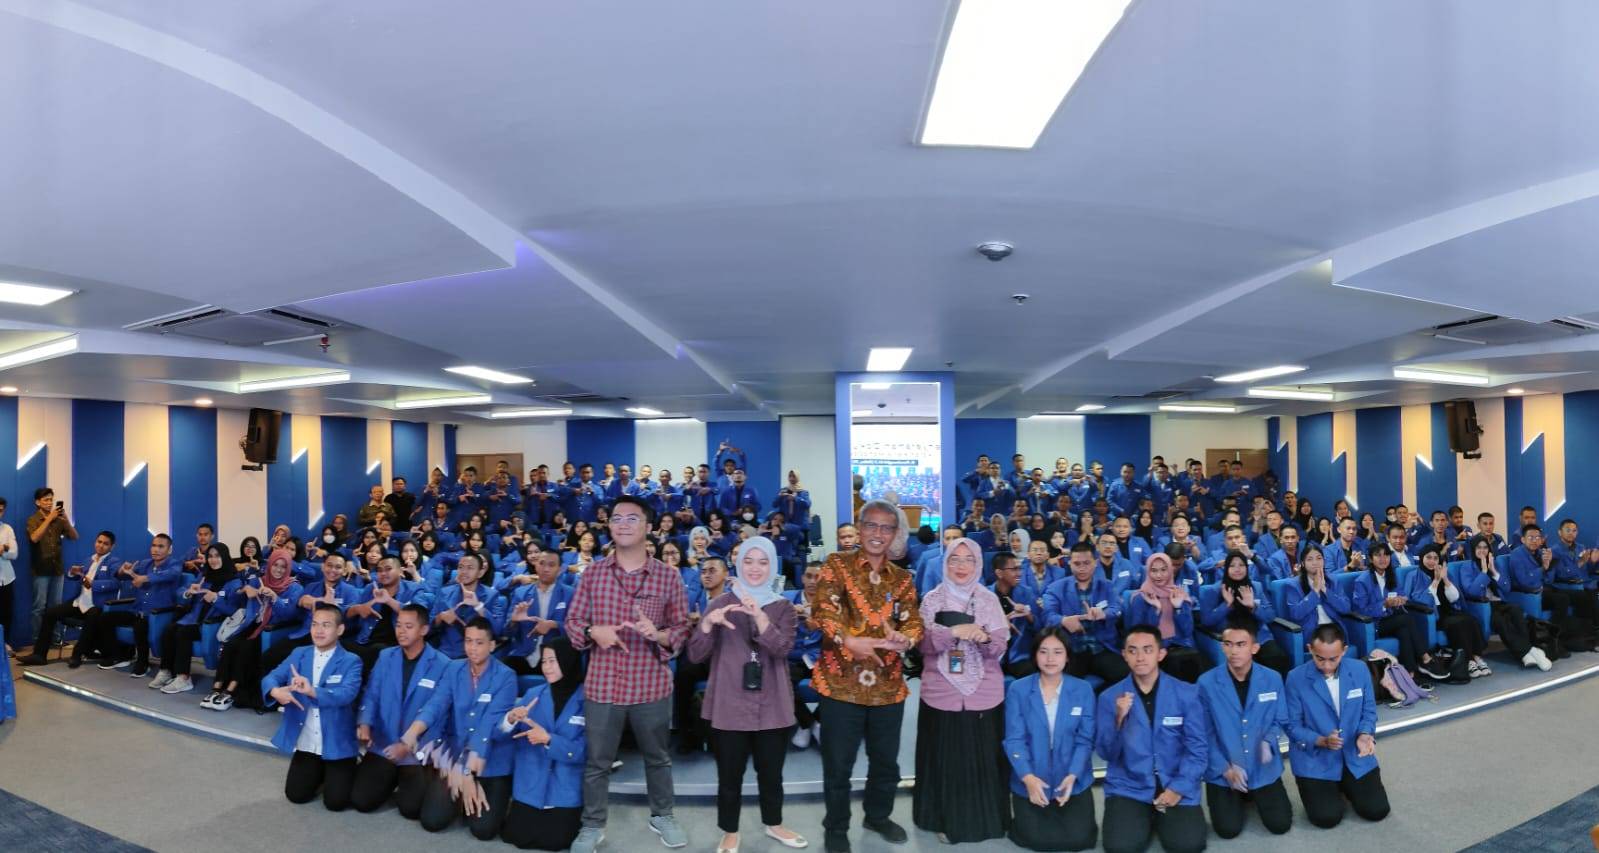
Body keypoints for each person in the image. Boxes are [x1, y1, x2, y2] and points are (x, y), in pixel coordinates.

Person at [563, 494, 691, 852]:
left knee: (658, 758)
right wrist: (593, 633)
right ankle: (592, 825)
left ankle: (663, 815)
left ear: (648, 527)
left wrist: (660, 634)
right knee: (597, 762)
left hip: (651, 684)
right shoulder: (593, 574)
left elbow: (682, 630)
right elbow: (572, 623)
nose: (622, 524)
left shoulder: (668, 577)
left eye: (632, 518)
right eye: (616, 518)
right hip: (604, 685)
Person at [812, 499, 923, 853]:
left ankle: (877, 816)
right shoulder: (836, 565)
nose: (878, 534)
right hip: (839, 683)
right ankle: (836, 827)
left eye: (886, 528)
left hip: (888, 686)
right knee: (838, 764)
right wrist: (849, 640)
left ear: (896, 535)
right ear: (859, 530)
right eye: (871, 526)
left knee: (886, 763)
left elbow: (913, 620)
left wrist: (906, 638)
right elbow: (823, 610)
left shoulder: (904, 578)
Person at [685, 536, 806, 853]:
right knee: (729, 775)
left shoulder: (783, 608)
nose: (755, 569)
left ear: (772, 566)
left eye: (763, 562)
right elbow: (696, 655)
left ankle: (774, 823)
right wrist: (708, 626)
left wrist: (760, 616)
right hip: (729, 704)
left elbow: (782, 648)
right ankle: (729, 830)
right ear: (738, 564)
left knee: (771, 772)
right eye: (749, 561)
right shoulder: (719, 604)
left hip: (772, 705)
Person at [914, 536, 1010, 844]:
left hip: (984, 693)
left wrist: (981, 638)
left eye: (968, 560)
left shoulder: (988, 600)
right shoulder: (931, 600)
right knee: (948, 761)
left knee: (982, 760)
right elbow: (923, 646)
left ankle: (987, 821)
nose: (961, 566)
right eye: (955, 559)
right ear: (944, 563)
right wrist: (952, 632)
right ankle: (945, 819)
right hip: (941, 693)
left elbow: (998, 648)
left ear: (978, 564)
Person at [398, 617, 518, 837]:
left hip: (490, 759)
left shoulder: (506, 677)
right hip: (455, 756)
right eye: (468, 641)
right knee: (432, 821)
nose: (472, 648)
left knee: (483, 830)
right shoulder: (454, 668)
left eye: (479, 642)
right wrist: (415, 730)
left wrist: (466, 772)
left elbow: (489, 724)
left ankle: (475, 792)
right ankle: (461, 794)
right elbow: (437, 703)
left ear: (492, 645)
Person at [1095, 624, 1209, 853]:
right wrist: (1118, 719)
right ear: (1124, 656)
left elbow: (1197, 750)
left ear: (1161, 654)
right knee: (1120, 847)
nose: (1140, 657)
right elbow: (1106, 753)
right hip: (1129, 786)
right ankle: (1142, 814)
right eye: (1133, 650)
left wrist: (1178, 788)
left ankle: (1162, 815)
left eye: (1147, 649)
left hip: (1175, 780)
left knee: (1188, 845)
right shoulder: (1110, 697)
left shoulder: (1186, 693)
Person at [1284, 623, 1391, 828]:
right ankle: (1332, 787)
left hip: (1353, 753)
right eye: (1319, 658)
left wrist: (1365, 734)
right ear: (1310, 650)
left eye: (1333, 658)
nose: (1326, 665)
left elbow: (1369, 711)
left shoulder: (1359, 669)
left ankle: (1344, 784)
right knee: (1326, 818)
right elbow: (1291, 727)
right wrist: (1321, 740)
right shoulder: (1295, 678)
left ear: (1344, 651)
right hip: (1316, 758)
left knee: (1377, 811)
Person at [1196, 616, 1293, 839]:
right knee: (1228, 830)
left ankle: (1252, 792)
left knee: (1280, 825)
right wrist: (1225, 768)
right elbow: (1204, 734)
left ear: (1255, 648)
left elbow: (1280, 720)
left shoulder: (1273, 679)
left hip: (1262, 767)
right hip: (1224, 769)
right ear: (1222, 647)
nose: (1233, 651)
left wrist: (1268, 741)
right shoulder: (1206, 683)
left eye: (1241, 645)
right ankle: (1236, 793)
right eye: (1228, 644)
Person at [261, 602, 364, 810]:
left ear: (340, 629)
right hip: (307, 738)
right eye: (314, 624)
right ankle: (319, 771)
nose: (318, 630)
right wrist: (275, 691)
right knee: (296, 795)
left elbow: (346, 694)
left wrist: (312, 691)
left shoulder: (351, 660)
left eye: (326, 625)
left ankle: (349, 764)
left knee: (335, 803)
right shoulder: (299, 653)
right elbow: (272, 677)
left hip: (336, 739)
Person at [350, 603, 450, 816]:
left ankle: (404, 777)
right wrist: (364, 722)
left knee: (411, 810)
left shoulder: (443, 664)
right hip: (384, 743)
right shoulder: (386, 656)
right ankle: (388, 776)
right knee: (361, 801)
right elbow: (371, 693)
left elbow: (436, 711)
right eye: (398, 625)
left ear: (423, 630)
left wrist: (409, 743)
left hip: (418, 749)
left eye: (408, 626)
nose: (401, 631)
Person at [1003, 628, 1097, 852]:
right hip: (1032, 779)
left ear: (1067, 656)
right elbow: (1014, 740)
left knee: (1078, 840)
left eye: (1057, 652)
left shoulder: (1083, 690)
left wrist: (1073, 775)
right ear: (1035, 655)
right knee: (1038, 841)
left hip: (1071, 779)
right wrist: (1028, 778)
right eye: (1043, 652)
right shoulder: (1018, 689)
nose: (1050, 659)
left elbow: (1085, 740)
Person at [500, 636, 588, 851]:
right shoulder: (533, 695)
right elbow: (502, 734)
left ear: (568, 660)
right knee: (517, 837)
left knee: (556, 841)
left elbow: (585, 751)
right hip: (531, 783)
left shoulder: (588, 700)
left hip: (564, 788)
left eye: (552, 661)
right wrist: (510, 719)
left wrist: (549, 739)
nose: (546, 667)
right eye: (544, 661)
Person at [203, 550, 303, 711]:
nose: (278, 570)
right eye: (275, 565)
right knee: (230, 645)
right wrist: (244, 590)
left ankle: (231, 691)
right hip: (251, 624)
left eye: (283, 567)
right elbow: (236, 600)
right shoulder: (259, 581)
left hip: (271, 629)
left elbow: (289, 615)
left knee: (244, 648)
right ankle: (217, 688)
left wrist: (275, 599)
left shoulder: (294, 587)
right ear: (269, 565)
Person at [18, 530, 119, 668]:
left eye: (105, 544)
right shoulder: (88, 559)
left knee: (93, 616)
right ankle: (39, 655)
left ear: (112, 547)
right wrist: (72, 573)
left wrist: (93, 584)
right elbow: (77, 577)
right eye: (99, 542)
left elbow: (115, 583)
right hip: (80, 602)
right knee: (50, 613)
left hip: (97, 606)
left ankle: (77, 655)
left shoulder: (114, 562)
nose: (101, 546)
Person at [148, 542, 238, 694]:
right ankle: (166, 670)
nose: (213, 560)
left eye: (217, 556)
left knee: (183, 632)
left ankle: (184, 678)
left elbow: (234, 610)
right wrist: (188, 592)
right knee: (170, 629)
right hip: (194, 620)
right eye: (210, 556)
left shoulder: (234, 581)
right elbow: (180, 594)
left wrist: (216, 599)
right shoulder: (204, 576)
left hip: (213, 625)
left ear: (225, 557)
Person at [1043, 542, 1129, 686]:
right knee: (1062, 685)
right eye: (1077, 564)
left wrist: (1104, 614)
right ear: (1069, 563)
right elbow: (1047, 616)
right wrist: (1063, 621)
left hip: (1102, 647)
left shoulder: (1106, 585)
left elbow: (1117, 608)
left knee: (1126, 676)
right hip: (1071, 650)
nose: (1082, 568)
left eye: (1086, 563)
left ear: (1095, 563)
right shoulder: (1056, 588)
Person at [1352, 543, 1439, 683]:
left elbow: (1402, 594)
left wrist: (1401, 599)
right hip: (1373, 624)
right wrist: (1384, 604)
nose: (1383, 559)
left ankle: (1410, 674)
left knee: (1404, 630)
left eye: (1386, 555)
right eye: (1378, 555)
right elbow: (1361, 609)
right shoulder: (1362, 581)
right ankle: (1425, 657)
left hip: (1391, 619)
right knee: (1406, 620)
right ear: (1370, 559)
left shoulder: (1391, 575)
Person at [97, 534, 182, 677]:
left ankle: (143, 662)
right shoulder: (145, 563)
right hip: (137, 611)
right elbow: (124, 576)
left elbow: (171, 575)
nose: (156, 549)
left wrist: (146, 578)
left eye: (161, 546)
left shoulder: (175, 564)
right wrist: (123, 570)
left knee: (140, 625)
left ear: (170, 550)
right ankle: (120, 655)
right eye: (154, 545)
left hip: (158, 614)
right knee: (105, 618)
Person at [1124, 553, 1204, 682]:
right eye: (1154, 570)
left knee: (1191, 661)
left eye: (1163, 570)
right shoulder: (1140, 598)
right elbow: (1137, 634)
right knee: (1172, 663)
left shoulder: (1179, 594)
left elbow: (1187, 630)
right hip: (1153, 648)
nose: (1159, 575)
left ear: (1170, 570)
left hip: (1181, 645)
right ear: (1148, 572)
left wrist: (1178, 607)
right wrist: (1156, 610)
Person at [1416, 544, 1492, 678]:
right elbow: (1422, 601)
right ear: (1422, 558)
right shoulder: (1416, 575)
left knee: (1470, 619)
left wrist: (1445, 579)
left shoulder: (1444, 572)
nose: (1432, 561)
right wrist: (1435, 581)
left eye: (1435, 558)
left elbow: (1455, 598)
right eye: (1428, 557)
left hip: (1448, 610)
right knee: (1457, 624)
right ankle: (1467, 660)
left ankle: (1476, 657)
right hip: (1433, 615)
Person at [24, 487, 78, 648]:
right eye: (46, 500)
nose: (49, 503)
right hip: (40, 569)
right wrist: (49, 519)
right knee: (39, 607)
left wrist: (65, 519)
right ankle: (37, 640)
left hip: (57, 569)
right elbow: (34, 538)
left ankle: (56, 639)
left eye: (51, 499)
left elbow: (74, 536)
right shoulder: (32, 520)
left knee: (56, 606)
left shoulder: (59, 519)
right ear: (37, 502)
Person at [504, 551, 573, 675]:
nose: (545, 569)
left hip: (555, 657)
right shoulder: (521, 593)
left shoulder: (570, 594)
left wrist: (554, 625)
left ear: (560, 569)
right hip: (523, 655)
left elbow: (577, 628)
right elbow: (507, 633)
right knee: (502, 672)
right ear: (535, 565)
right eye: (541, 563)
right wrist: (513, 621)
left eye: (551, 565)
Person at [429, 553, 507, 659]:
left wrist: (478, 606)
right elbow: (428, 628)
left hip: (475, 656)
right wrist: (440, 618)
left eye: (470, 568)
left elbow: (498, 631)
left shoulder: (492, 596)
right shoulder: (444, 592)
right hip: (446, 654)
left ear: (480, 572)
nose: (464, 572)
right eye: (461, 567)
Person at [0, 498, 17, 653]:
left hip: (6, 578)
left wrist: (4, 549)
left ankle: (4, 643)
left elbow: (14, 553)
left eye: (1, 510)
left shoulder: (7, 529)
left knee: (6, 613)